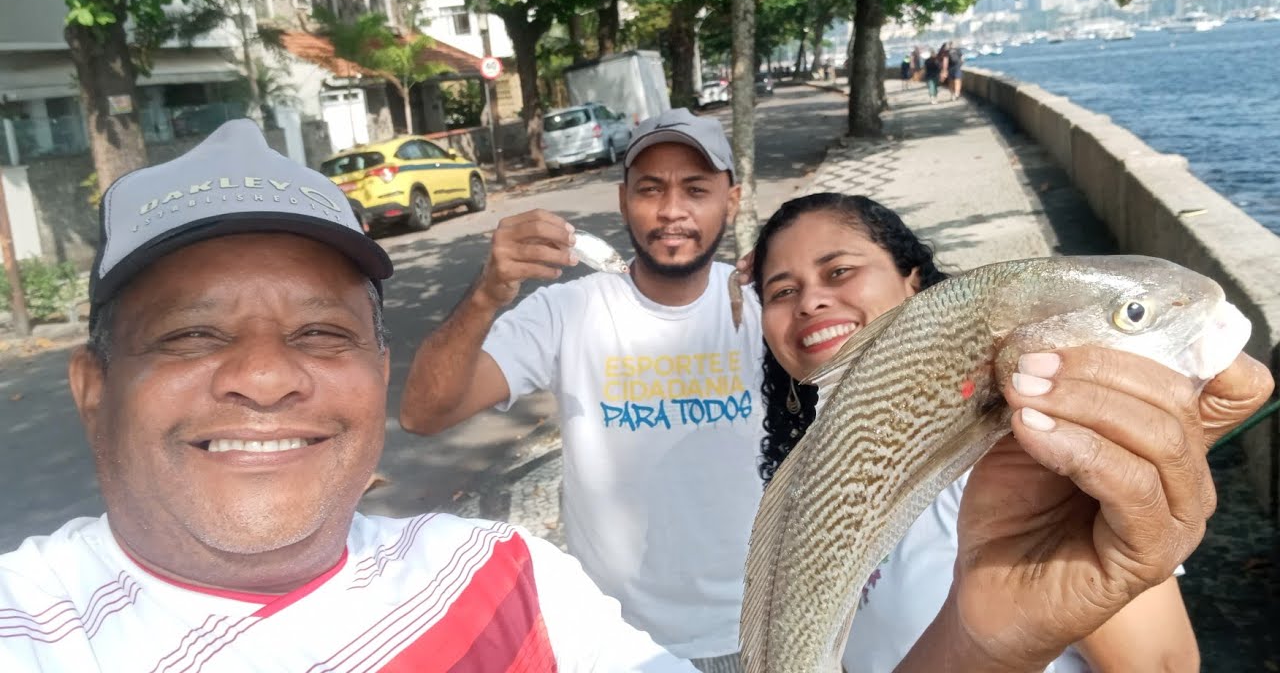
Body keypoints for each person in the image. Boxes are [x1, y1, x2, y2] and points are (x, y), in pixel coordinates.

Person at [0, 120, 697, 672]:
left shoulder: (503, 576)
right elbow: (430, 409)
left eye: (321, 332)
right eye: (192, 334)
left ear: (375, 367)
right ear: (94, 390)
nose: (267, 377)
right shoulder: (31, 630)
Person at [742, 192, 1274, 673]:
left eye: (839, 271)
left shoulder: (1042, 461)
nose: (810, 300)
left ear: (913, 281)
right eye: (782, 290)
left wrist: (997, 641)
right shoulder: (811, 475)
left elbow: (1165, 666)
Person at [400, 107, 765, 671]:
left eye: (696, 189)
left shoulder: (767, 306)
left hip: (761, 625)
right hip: (618, 641)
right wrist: (487, 292)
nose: (672, 211)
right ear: (623, 202)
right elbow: (424, 412)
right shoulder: (566, 311)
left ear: (731, 201)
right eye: (651, 189)